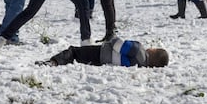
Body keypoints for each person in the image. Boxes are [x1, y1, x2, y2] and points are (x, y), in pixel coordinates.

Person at [37, 37, 169, 68]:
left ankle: (53, 62)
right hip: (102, 62)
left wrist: (112, 38)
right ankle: (57, 62)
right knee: (78, 58)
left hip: (102, 52)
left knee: (74, 51)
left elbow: (118, 45)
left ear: (153, 52)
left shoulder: (138, 49)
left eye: (154, 48)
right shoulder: (140, 65)